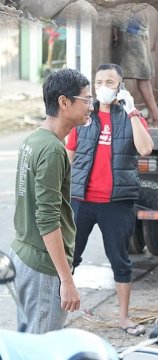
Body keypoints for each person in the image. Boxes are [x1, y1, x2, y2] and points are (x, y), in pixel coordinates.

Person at [65, 63, 154, 336]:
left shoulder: (129, 116)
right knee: (69, 258)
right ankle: (58, 315)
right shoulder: (83, 117)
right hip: (81, 200)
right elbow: (67, 157)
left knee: (120, 260)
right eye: (99, 81)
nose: (103, 86)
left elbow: (146, 148)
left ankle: (124, 318)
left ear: (121, 86)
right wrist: (61, 195)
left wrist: (132, 110)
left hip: (117, 202)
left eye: (110, 82)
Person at [10, 68, 91, 333]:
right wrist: (66, 281)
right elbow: (47, 219)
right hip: (43, 269)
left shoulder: (34, 139)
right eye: (86, 100)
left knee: (28, 343)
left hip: (23, 257)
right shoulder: (54, 150)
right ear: (64, 102)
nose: (90, 106)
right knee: (41, 348)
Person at [96, 1, 158, 125]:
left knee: (144, 75)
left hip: (139, 31)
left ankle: (152, 114)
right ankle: (155, 115)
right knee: (143, 77)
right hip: (131, 32)